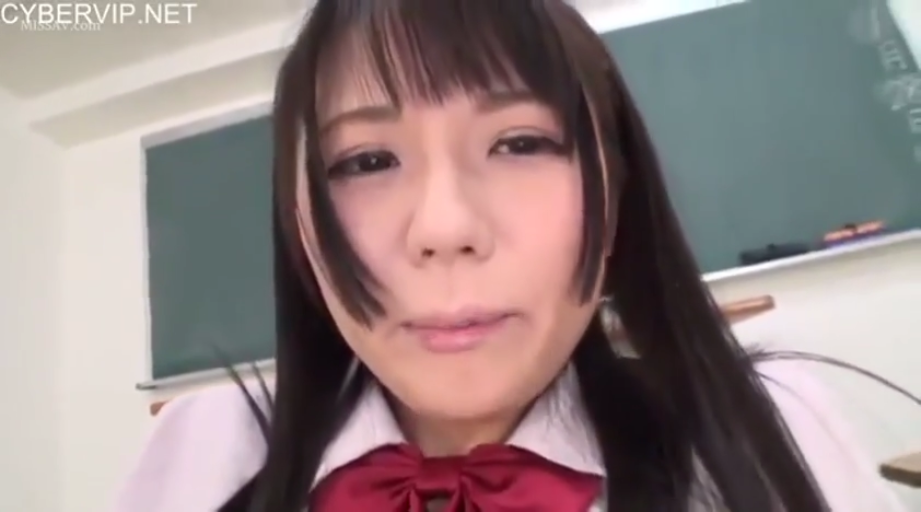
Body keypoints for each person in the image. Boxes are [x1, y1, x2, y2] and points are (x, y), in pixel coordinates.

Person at [113, 0, 911, 511]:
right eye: (366, 160)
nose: (444, 228)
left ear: (616, 195)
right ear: (300, 223)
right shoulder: (209, 449)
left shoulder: (762, 427)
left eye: (521, 143)